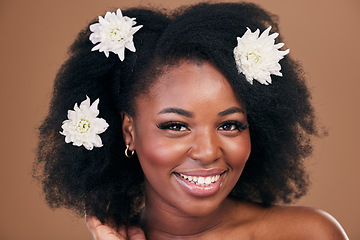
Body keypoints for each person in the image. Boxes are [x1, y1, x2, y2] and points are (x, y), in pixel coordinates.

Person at [33, 2, 349, 239]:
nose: (208, 151)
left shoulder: (308, 234)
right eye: (176, 126)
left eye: (230, 125)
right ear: (128, 131)